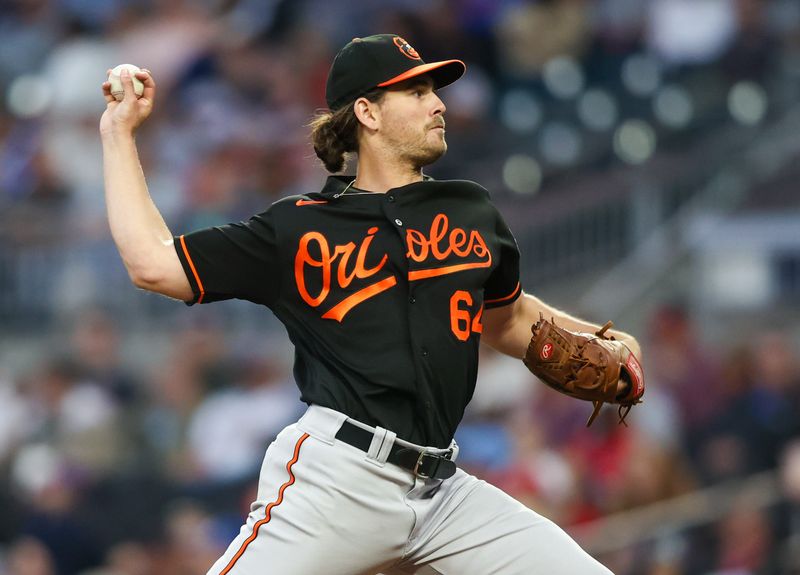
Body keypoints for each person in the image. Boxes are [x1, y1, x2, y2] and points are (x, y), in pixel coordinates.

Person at [100, 33, 641, 575]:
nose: (439, 104)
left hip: (443, 493)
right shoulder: (298, 226)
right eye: (417, 91)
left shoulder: (469, 209)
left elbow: (510, 319)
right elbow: (153, 262)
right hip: (340, 480)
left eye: (435, 90)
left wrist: (602, 338)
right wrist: (118, 133)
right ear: (367, 112)